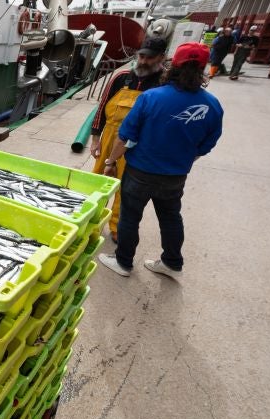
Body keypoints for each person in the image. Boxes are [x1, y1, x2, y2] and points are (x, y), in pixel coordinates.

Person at [97, 42, 224, 279]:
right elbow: (207, 144)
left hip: (139, 171)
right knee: (170, 217)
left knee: (129, 216)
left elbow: (125, 136)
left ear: (172, 65)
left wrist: (110, 162)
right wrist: (183, 159)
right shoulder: (212, 105)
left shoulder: (151, 97)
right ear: (203, 69)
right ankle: (172, 263)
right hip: (176, 175)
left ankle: (124, 263)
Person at [89, 36, 167, 242]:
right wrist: (95, 138)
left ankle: (117, 227)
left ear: (161, 57)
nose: (143, 61)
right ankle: (90, 222)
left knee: (127, 188)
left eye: (149, 58)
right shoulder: (121, 77)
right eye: (141, 56)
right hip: (110, 137)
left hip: (138, 144)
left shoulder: (164, 83)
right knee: (97, 182)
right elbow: (101, 109)